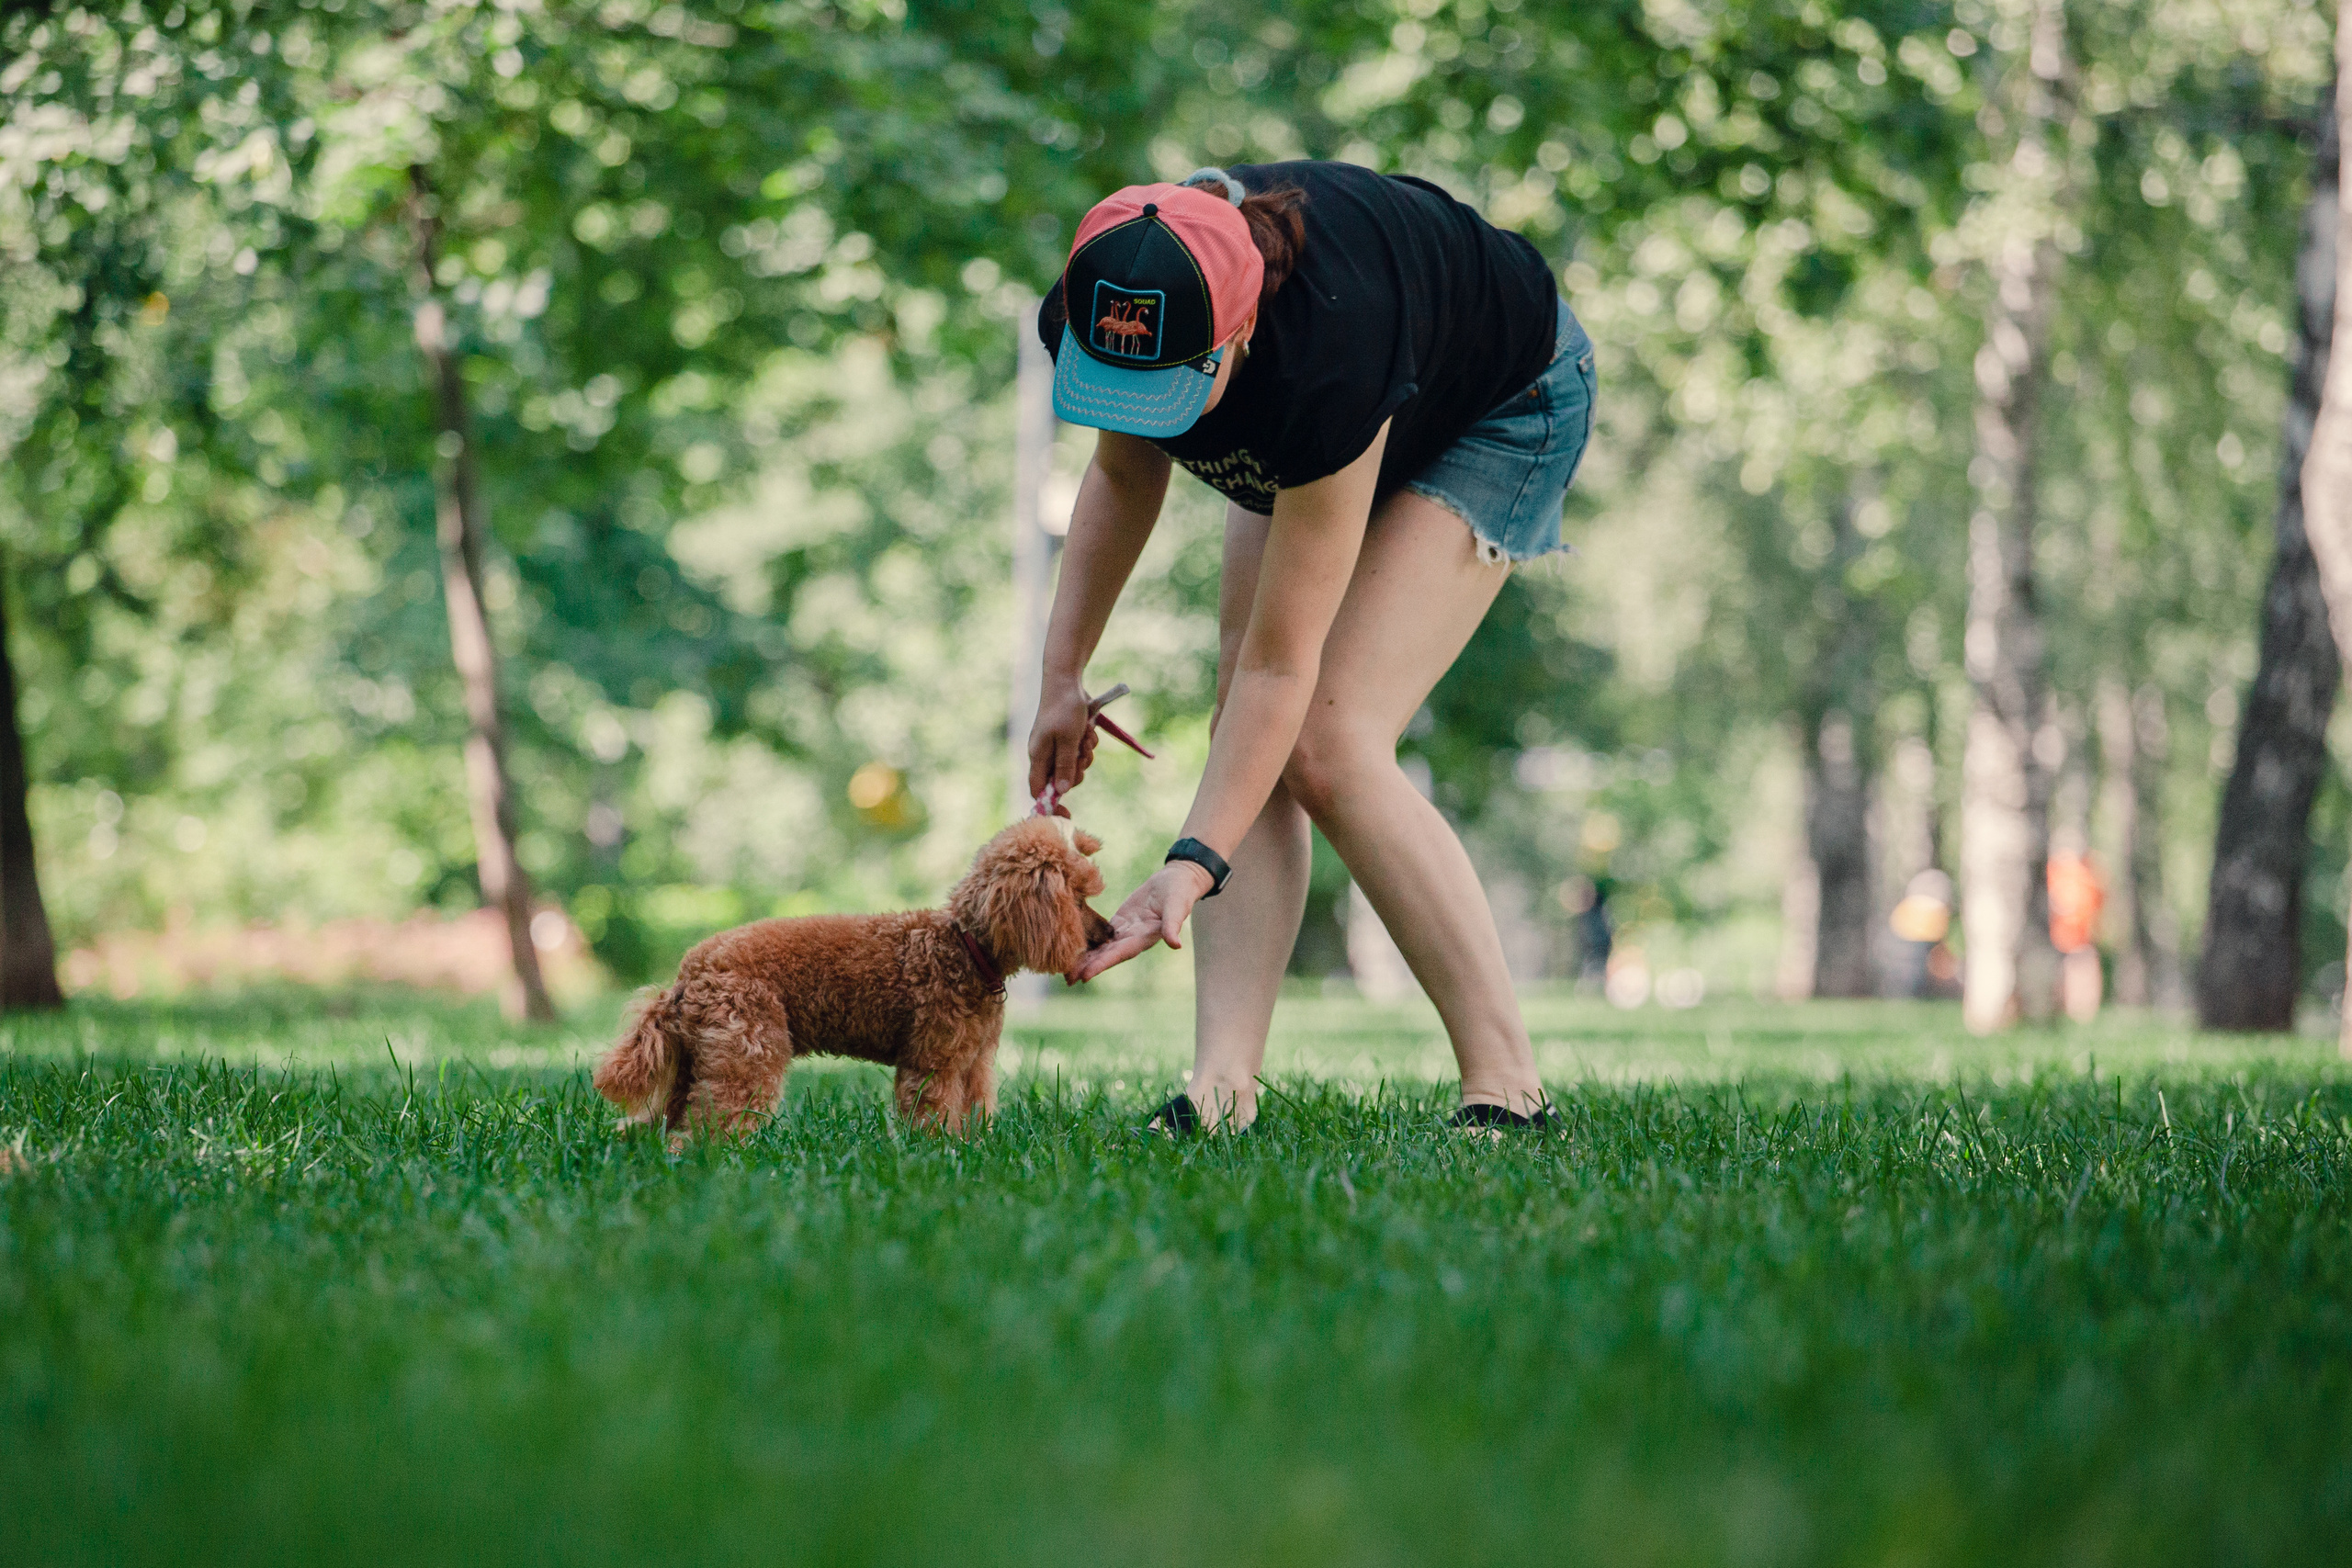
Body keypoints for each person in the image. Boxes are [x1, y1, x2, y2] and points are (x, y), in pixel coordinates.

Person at [1026, 162, 1596, 1134]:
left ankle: (1508, 1089)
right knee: (1244, 735)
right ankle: (1221, 1089)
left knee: (1325, 738)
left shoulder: (1328, 351)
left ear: (1239, 331)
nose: (1147, 400)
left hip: (1499, 401)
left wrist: (1190, 864)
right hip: (1332, 406)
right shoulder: (1112, 292)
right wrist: (1061, 678)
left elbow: (1281, 670)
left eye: (1174, 384)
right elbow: (1122, 474)